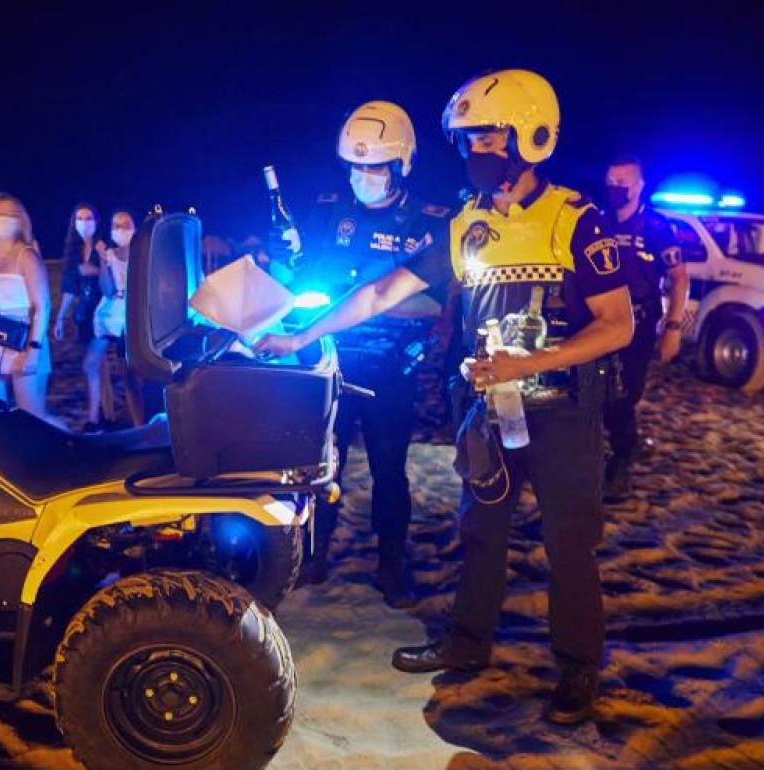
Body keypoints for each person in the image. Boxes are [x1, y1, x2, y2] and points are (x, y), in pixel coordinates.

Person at [256, 69, 634, 725]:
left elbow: (618, 325)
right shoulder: (466, 224)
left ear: (530, 135)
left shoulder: (575, 219)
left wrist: (537, 360)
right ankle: (467, 643)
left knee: (568, 544)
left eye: (486, 137)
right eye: (466, 141)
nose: (474, 152)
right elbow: (380, 293)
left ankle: (577, 669)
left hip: (563, 414)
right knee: (479, 531)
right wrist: (300, 338)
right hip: (488, 413)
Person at [286, 101, 450, 608]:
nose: (363, 178)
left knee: (387, 466)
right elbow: (303, 274)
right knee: (321, 463)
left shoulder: (428, 222)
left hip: (388, 370)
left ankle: (391, 560)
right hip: (329, 363)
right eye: (355, 167)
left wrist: (373, 303)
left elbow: (433, 301)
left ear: (401, 166)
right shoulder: (329, 212)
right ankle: (313, 554)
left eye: (374, 167)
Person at [601, 156, 689, 499]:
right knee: (595, 393)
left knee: (624, 396)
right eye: (611, 180)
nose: (616, 188)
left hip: (638, 324)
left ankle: (621, 462)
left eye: (623, 182)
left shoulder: (656, 227)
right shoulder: (597, 221)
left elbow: (679, 278)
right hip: (599, 323)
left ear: (639, 187)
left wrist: (674, 327)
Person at [0, 193, 52, 417]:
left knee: (32, 419)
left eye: (11, 214)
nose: (5, 219)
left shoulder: (26, 256)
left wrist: (33, 351)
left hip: (24, 340)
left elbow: (42, 306)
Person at [52, 204, 112, 431]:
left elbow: (112, 283)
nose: (84, 223)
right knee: (94, 367)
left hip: (106, 312)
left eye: (88, 218)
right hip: (85, 315)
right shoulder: (73, 250)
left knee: (90, 364)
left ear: (97, 221)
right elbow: (69, 288)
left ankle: (93, 419)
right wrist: (60, 317)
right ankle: (103, 413)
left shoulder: (105, 246)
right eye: (79, 218)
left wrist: (97, 268)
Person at [91, 209, 145, 425]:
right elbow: (106, 289)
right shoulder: (110, 255)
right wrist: (103, 261)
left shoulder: (143, 252)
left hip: (139, 310)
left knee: (141, 373)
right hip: (116, 314)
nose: (121, 229)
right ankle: (137, 423)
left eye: (126, 224)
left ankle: (145, 419)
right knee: (127, 373)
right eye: (116, 225)